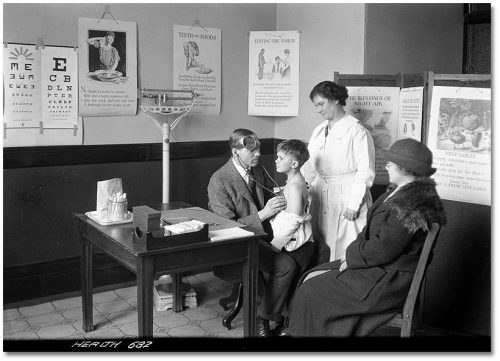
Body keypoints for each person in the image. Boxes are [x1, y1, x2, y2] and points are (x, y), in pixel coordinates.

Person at [286, 138, 447, 337]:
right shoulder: (399, 193)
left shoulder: (411, 204)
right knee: (310, 278)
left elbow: (383, 249)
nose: (386, 166)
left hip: (389, 279)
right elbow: (368, 231)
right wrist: (351, 256)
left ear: (405, 169)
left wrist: (351, 258)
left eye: (391, 163)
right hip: (377, 267)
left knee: (312, 289)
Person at [207, 130, 311, 337]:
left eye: (259, 149)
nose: (258, 155)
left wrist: (295, 192)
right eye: (251, 151)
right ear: (235, 152)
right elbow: (226, 227)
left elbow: (274, 192)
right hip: (237, 244)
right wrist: (264, 213)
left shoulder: (257, 169)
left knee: (306, 252)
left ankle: (289, 318)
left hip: (265, 237)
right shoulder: (219, 180)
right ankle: (264, 318)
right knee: (286, 264)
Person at [301, 81, 375, 265]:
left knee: (345, 247)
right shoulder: (319, 130)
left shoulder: (357, 131)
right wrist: (299, 187)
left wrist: (354, 204)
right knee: (321, 243)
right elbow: (310, 165)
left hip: (348, 195)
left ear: (335, 99)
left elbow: (365, 171)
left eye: (321, 104)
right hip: (322, 193)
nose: (318, 110)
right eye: (315, 105)